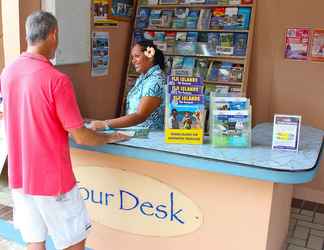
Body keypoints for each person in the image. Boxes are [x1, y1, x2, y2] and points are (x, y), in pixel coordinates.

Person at [0, 11, 128, 250]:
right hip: (52, 182)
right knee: (73, 243)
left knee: (34, 242)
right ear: (53, 34)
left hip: (20, 177)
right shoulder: (56, 80)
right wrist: (109, 137)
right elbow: (80, 135)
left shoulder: (8, 72)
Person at [90, 39, 166, 131]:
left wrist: (105, 124)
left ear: (150, 56)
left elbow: (140, 115)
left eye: (137, 56)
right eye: (132, 57)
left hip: (148, 137)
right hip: (137, 132)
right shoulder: (144, 77)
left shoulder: (155, 79)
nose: (133, 61)